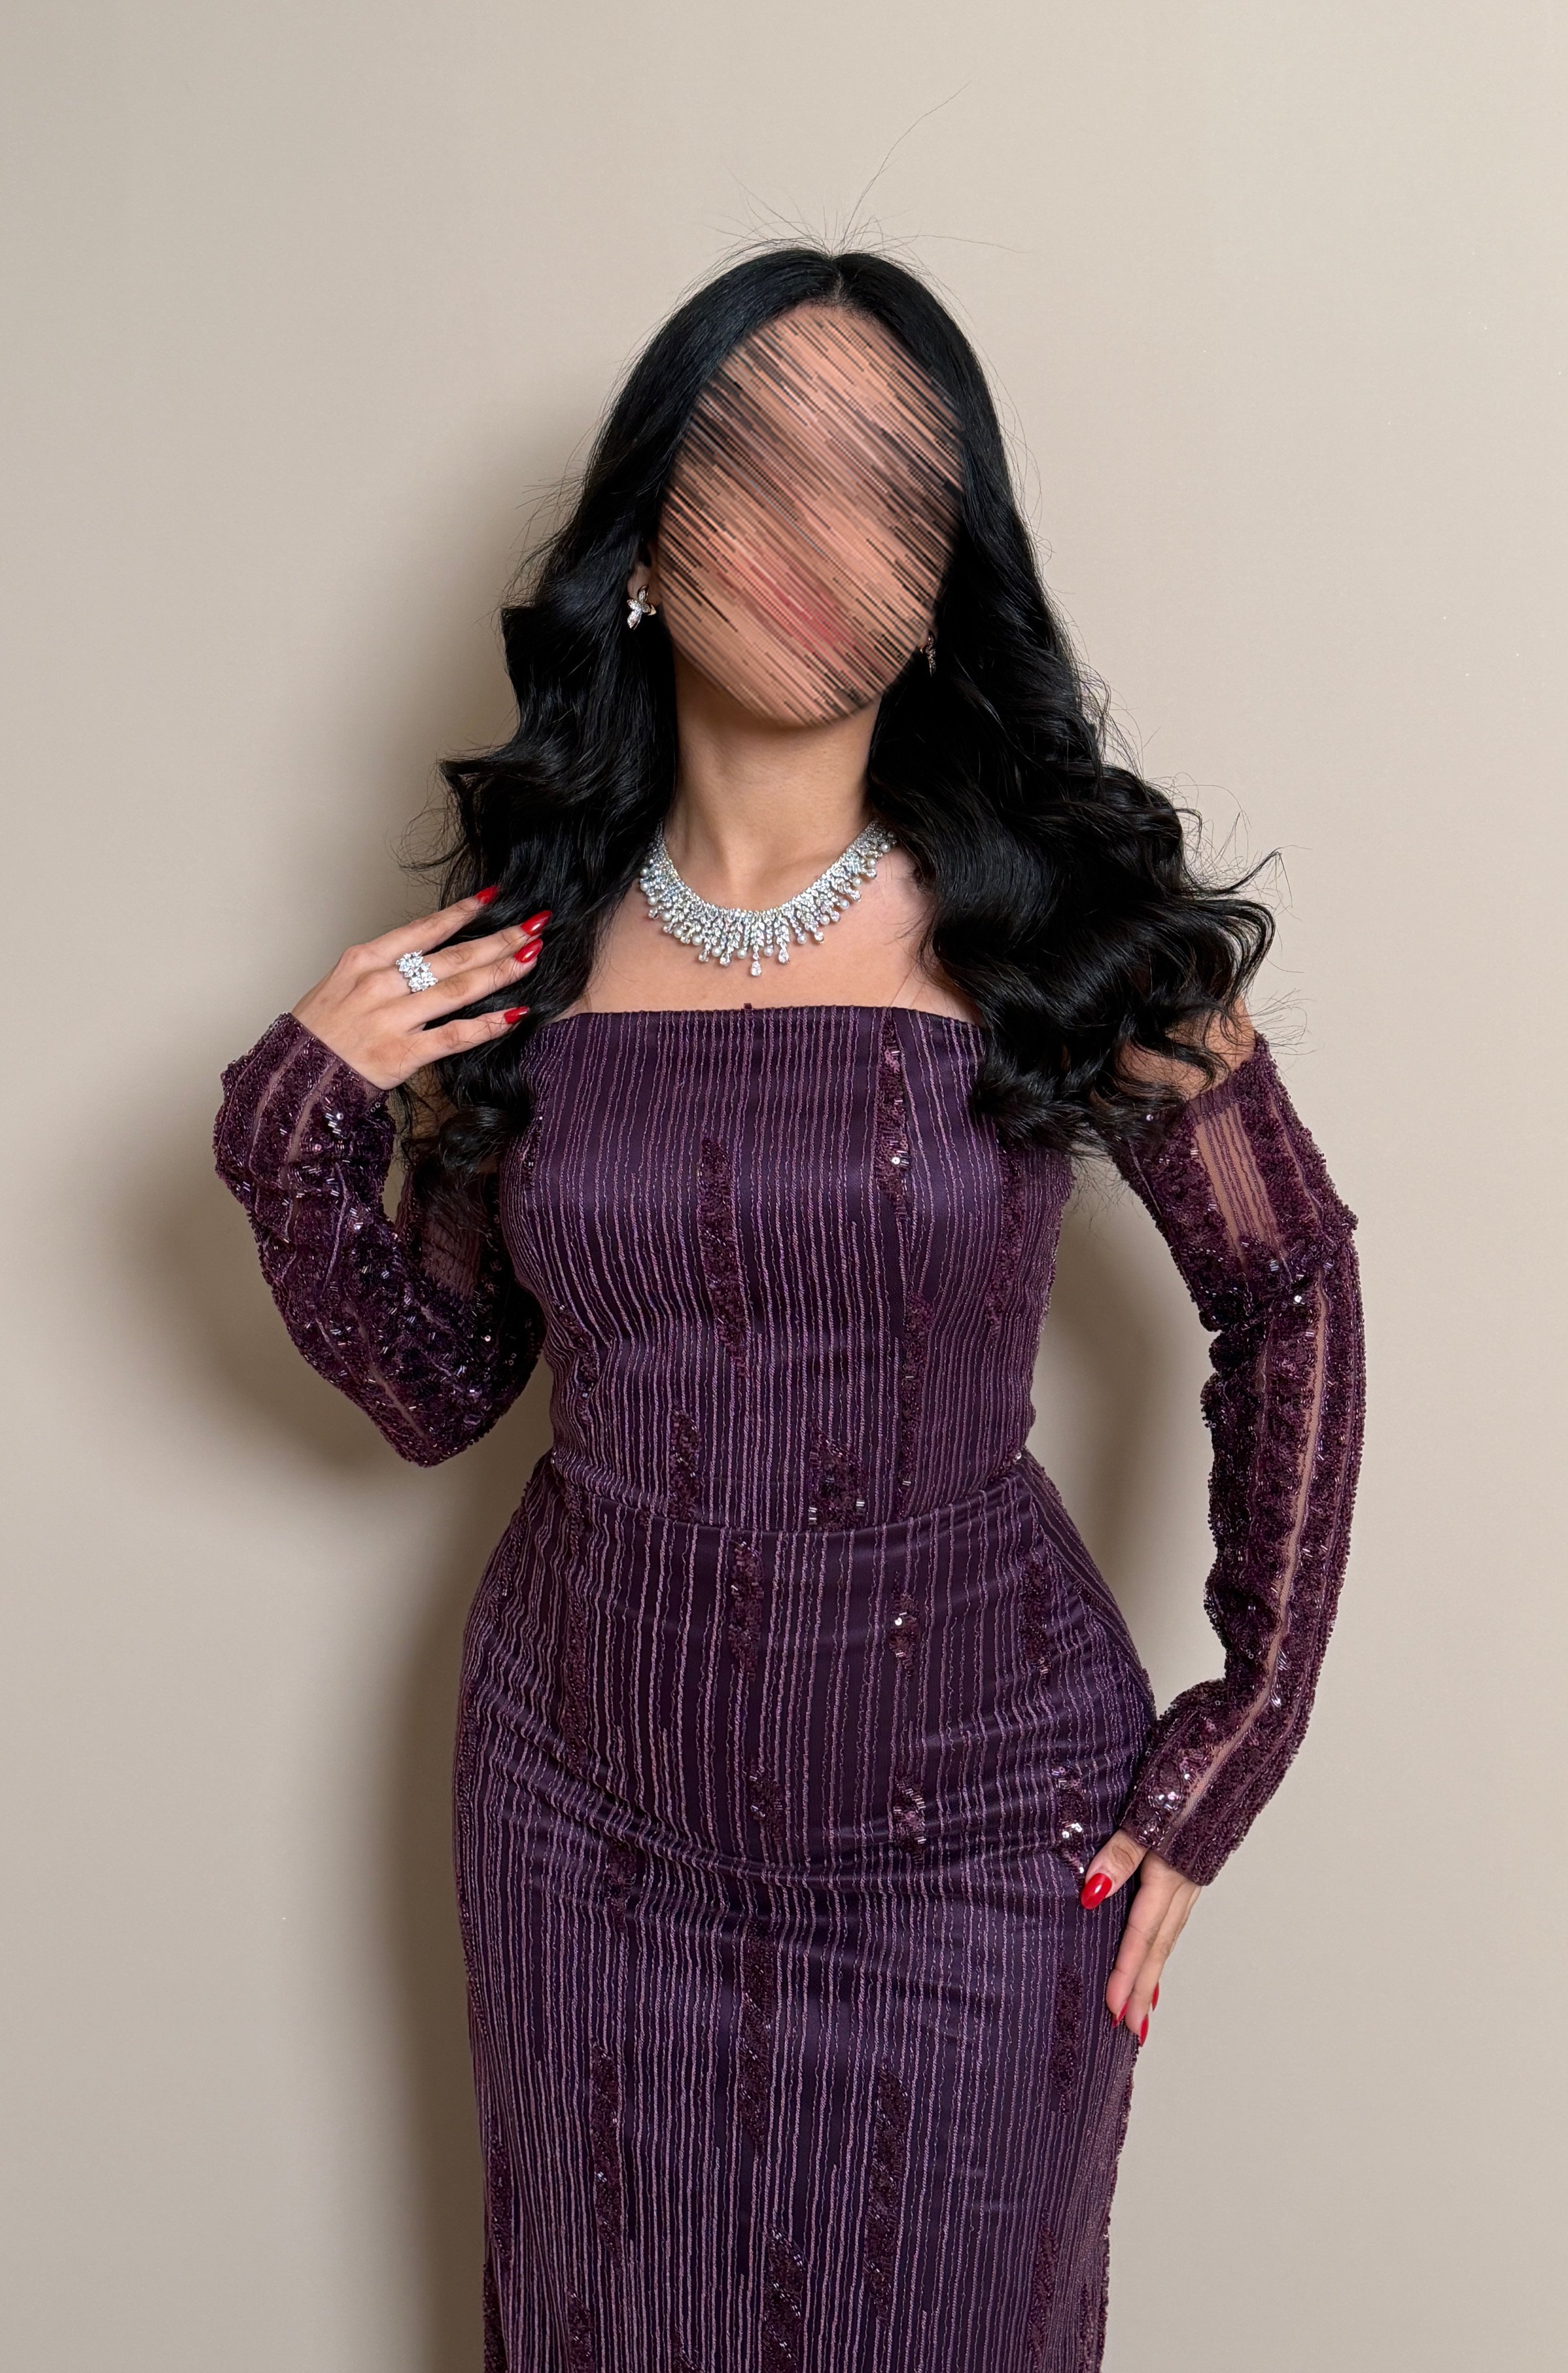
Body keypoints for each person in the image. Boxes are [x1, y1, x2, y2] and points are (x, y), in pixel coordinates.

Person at [214, 248, 1364, 2373]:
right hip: (578, 1820)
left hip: (977, 1836)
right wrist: (292, 1134)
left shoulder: (1059, 922)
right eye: (757, 467)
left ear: (944, 579)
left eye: (891, 490)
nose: (820, 540)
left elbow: (1284, 1275)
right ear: (646, 541)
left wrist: (1246, 1722)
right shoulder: (521, 955)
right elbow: (441, 1391)